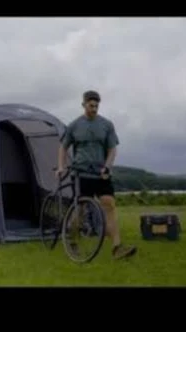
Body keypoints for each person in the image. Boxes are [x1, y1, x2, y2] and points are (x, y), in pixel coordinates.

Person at [57, 90, 137, 259]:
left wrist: (107, 167)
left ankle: (117, 248)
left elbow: (112, 149)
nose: (94, 109)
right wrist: (61, 167)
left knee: (109, 205)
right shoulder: (74, 125)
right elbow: (63, 147)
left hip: (101, 173)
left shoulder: (106, 125)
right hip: (81, 174)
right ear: (83, 105)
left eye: (96, 106)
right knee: (80, 210)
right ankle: (73, 241)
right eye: (91, 105)